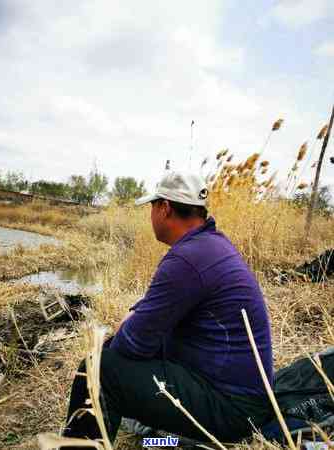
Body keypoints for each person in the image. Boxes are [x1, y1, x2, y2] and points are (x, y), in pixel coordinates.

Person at [63, 171, 274, 447]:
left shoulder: (189, 258)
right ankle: (155, 437)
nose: (150, 214)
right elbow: (149, 320)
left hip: (233, 410)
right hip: (234, 395)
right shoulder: (209, 246)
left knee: (97, 369)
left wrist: (131, 326)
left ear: (164, 208)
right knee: (113, 349)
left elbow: (132, 345)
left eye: (152, 206)